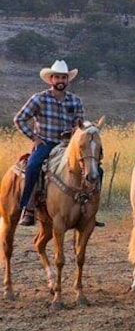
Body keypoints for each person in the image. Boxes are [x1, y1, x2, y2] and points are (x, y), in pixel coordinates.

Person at [14, 60, 86, 226]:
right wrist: (34, 137)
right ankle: (28, 208)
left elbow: (79, 123)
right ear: (51, 79)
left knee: (94, 169)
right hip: (46, 142)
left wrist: (77, 132)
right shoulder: (39, 99)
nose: (61, 81)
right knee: (33, 166)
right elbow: (20, 119)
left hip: (67, 145)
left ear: (68, 80)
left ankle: (89, 209)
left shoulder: (75, 101)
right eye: (57, 77)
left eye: (64, 78)